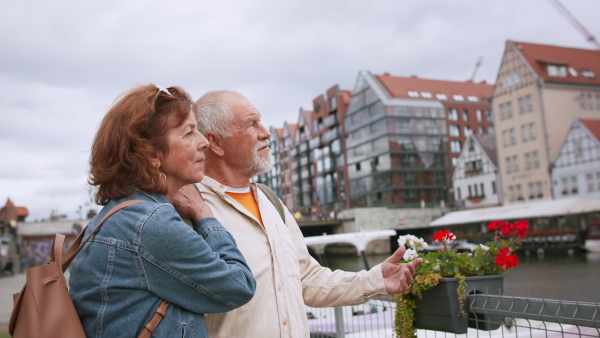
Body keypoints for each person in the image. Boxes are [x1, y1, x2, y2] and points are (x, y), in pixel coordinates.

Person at [194, 90, 423, 337]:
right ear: (215, 142)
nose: (266, 132)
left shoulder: (271, 202)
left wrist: (376, 280)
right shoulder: (191, 210)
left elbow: (307, 279)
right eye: (251, 124)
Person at [68, 85, 256, 337]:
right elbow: (239, 286)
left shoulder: (118, 214)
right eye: (189, 132)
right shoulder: (151, 223)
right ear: (152, 154)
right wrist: (204, 214)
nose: (203, 143)